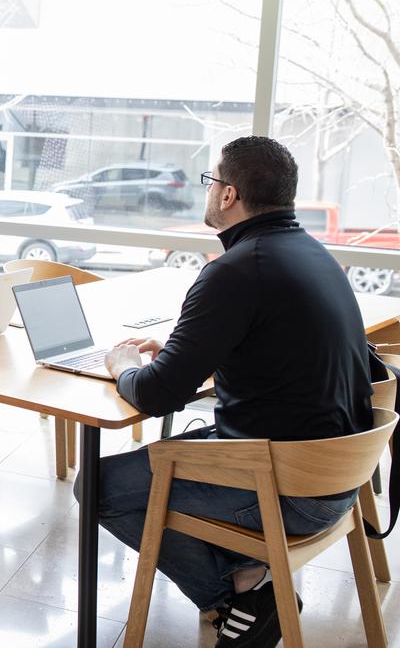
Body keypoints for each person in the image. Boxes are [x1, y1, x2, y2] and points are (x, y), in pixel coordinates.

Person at [93, 136, 373, 648]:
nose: (207, 190)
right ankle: (249, 573)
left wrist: (123, 366)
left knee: (97, 488)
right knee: (176, 455)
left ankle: (246, 595)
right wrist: (193, 352)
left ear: (228, 194)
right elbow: (283, 351)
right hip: (339, 478)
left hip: (285, 488)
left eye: (210, 180)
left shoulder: (234, 270)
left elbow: (156, 397)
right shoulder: (315, 255)